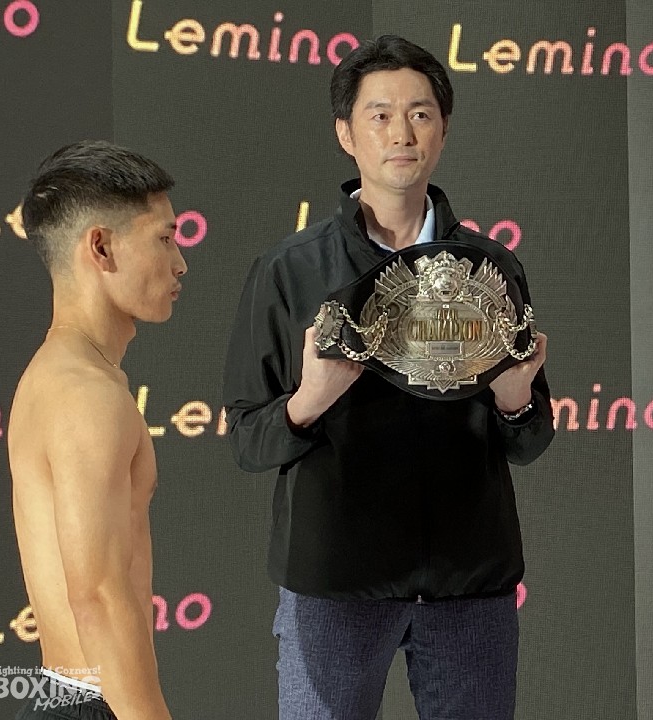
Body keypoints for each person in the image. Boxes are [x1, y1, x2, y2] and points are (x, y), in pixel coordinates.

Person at [222, 35, 554, 720]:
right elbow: (248, 437)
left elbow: (529, 440)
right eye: (380, 115)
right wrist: (309, 401)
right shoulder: (290, 270)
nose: (402, 133)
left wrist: (515, 400)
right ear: (346, 133)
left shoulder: (491, 269)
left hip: (469, 585)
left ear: (443, 129)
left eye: (420, 114)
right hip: (334, 587)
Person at [8, 140, 186, 720]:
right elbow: (99, 598)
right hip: (92, 703)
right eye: (164, 239)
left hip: (64, 695)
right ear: (101, 247)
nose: (180, 263)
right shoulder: (86, 395)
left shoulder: (57, 376)